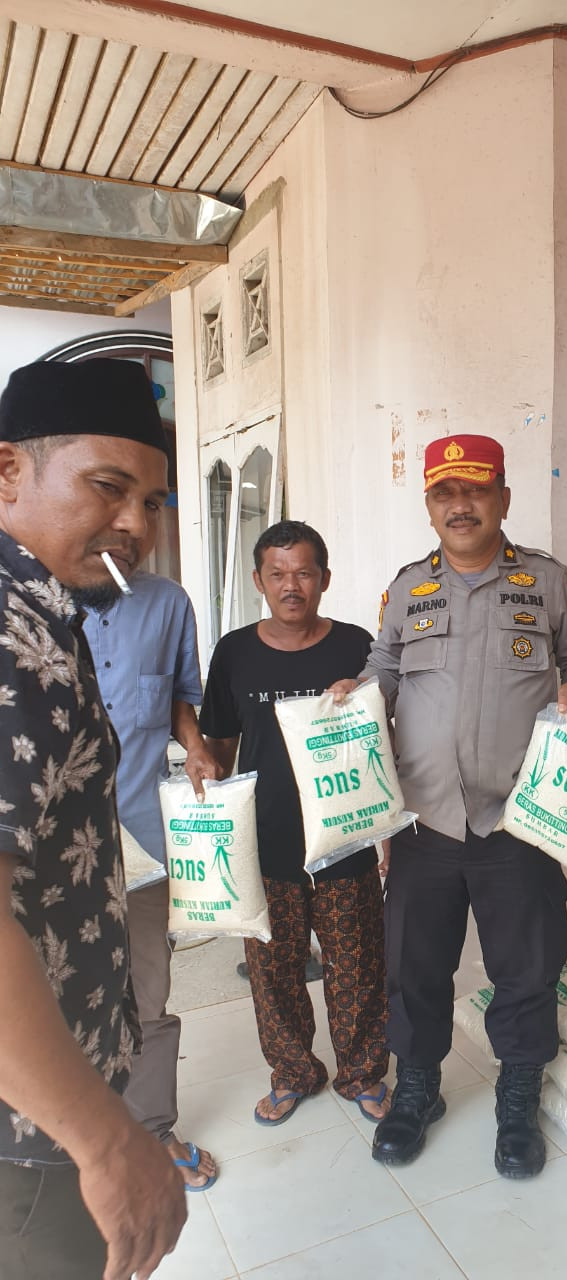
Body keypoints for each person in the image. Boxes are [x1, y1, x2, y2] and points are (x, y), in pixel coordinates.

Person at [330, 434, 567, 1178]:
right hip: (423, 819)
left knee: (526, 966)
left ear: (503, 500)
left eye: (476, 490)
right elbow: (384, 664)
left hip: (519, 816)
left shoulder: (547, 581)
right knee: (416, 967)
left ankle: (517, 1098)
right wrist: (356, 694)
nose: (461, 505)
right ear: (429, 505)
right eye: (446, 493)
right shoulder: (407, 587)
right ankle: (418, 1086)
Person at [0, 359, 187, 1280]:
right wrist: (105, 1141)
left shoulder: (55, 613)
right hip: (31, 1136)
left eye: (153, 502)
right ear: (8, 473)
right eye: (108, 488)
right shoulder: (12, 641)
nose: (135, 526)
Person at [199, 520, 390, 1126]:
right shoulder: (234, 651)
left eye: (304, 572)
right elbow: (222, 746)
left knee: (357, 964)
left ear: (324, 579)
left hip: (345, 840)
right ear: (258, 580)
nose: (291, 586)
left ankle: (362, 1072)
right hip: (265, 843)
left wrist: (385, 831)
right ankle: (293, 1072)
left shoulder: (358, 646)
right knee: (273, 971)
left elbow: (381, 740)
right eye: (277, 574)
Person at [83, 571, 221, 1191]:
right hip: (45, 849)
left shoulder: (167, 603)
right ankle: (67, 1139)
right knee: (49, 989)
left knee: (148, 992)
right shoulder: (23, 597)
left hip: (139, 837)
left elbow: (175, 701)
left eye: (145, 503)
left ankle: (153, 1128)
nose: (130, 522)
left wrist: (193, 744)